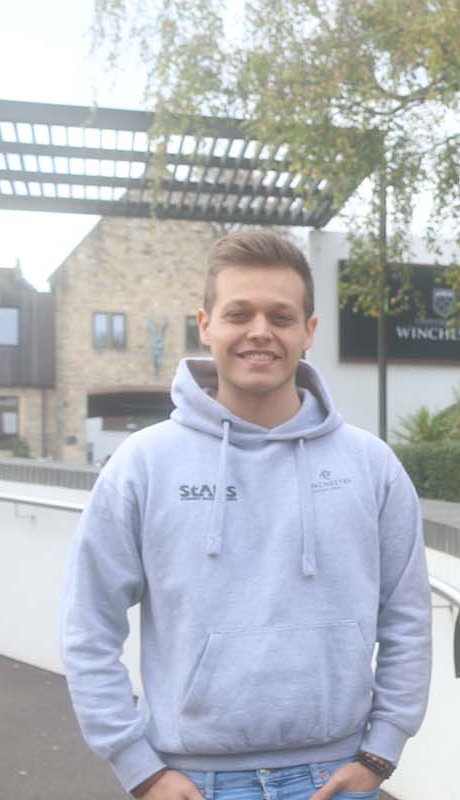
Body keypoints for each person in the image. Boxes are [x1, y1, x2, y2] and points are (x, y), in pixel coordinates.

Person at [60, 231, 431, 800]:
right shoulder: (143, 464)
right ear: (206, 324)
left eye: (281, 316)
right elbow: (88, 627)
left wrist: (382, 750)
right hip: (194, 781)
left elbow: (407, 618)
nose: (260, 331)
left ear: (308, 331)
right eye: (240, 313)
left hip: (337, 778)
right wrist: (141, 770)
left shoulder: (370, 465)